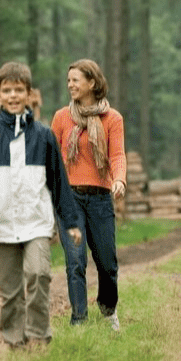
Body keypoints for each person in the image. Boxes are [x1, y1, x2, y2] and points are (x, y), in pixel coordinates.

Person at [0, 62, 82, 349]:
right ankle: (14, 340)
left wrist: (70, 222)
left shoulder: (43, 136)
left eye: (19, 90)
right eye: (6, 90)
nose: (13, 96)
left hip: (36, 221)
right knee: (10, 290)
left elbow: (59, 181)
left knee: (38, 274)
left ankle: (39, 334)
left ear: (30, 94)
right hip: (3, 221)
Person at [50, 59, 126, 329]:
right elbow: (53, 159)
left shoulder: (112, 118)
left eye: (75, 80)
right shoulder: (61, 117)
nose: (70, 84)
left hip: (100, 198)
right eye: (68, 80)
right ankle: (78, 319)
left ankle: (108, 310)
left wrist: (119, 179)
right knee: (75, 261)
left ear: (92, 83)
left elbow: (116, 155)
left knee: (107, 263)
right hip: (69, 200)